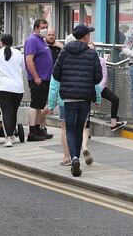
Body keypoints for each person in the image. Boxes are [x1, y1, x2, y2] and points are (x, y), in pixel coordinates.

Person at [52, 24, 103, 177]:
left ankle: (74, 157)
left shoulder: (64, 51)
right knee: (80, 127)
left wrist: (67, 79)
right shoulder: (91, 54)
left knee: (70, 129)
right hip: (85, 97)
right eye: (89, 35)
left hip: (68, 96)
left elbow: (56, 74)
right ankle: (76, 157)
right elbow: (98, 78)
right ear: (85, 37)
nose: (90, 37)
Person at [0, 34, 27, 148]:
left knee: (6, 112)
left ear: (0, 42)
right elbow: (23, 69)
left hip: (3, 87)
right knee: (13, 111)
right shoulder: (19, 54)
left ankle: (8, 138)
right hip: (17, 87)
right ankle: (12, 135)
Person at [25, 19, 54, 141]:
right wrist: (36, 76)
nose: (45, 29)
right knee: (35, 104)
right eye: (43, 27)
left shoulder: (42, 40)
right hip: (38, 78)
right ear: (36, 28)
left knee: (40, 106)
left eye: (46, 27)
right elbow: (29, 60)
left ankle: (37, 128)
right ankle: (32, 131)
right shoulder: (32, 40)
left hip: (45, 77)